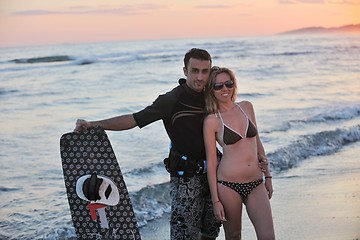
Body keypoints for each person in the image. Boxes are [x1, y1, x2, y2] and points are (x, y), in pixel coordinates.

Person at [74, 48, 221, 240]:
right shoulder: (171, 100)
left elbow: (233, 123)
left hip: (216, 173)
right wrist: (94, 124)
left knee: (210, 232)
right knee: (184, 235)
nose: (200, 77)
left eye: (205, 71)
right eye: (195, 70)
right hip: (187, 177)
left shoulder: (214, 94)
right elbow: (134, 119)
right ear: (185, 71)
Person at [203, 67, 275, 240]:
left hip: (256, 183)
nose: (224, 89)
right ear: (211, 90)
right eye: (218, 86)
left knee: (268, 237)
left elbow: (258, 144)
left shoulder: (246, 107)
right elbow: (212, 163)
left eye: (228, 83)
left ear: (234, 85)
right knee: (234, 236)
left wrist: (268, 176)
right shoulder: (212, 121)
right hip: (228, 186)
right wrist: (215, 201)